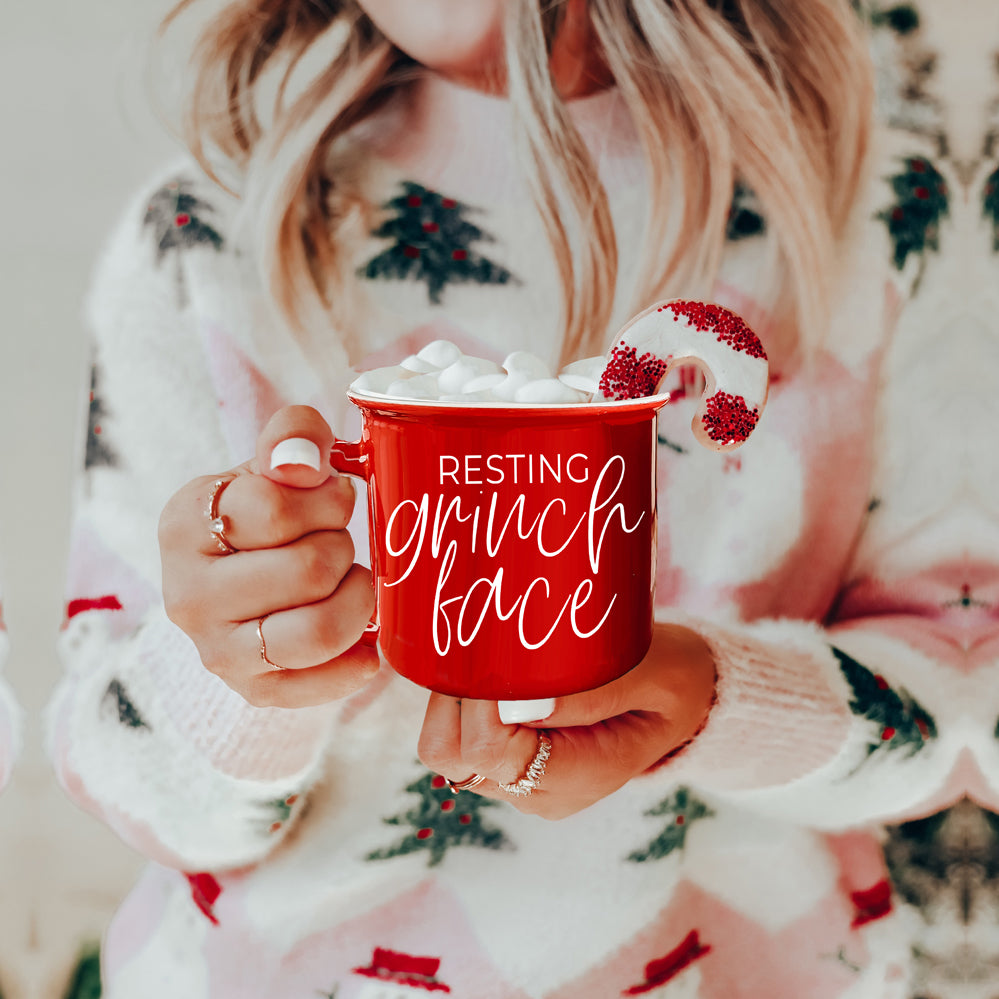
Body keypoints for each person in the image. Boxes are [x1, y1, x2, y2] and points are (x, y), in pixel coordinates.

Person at [47, 0, 989, 995]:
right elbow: (127, 784)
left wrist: (711, 697)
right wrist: (235, 682)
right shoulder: (202, 242)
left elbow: (962, 712)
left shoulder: (892, 224)